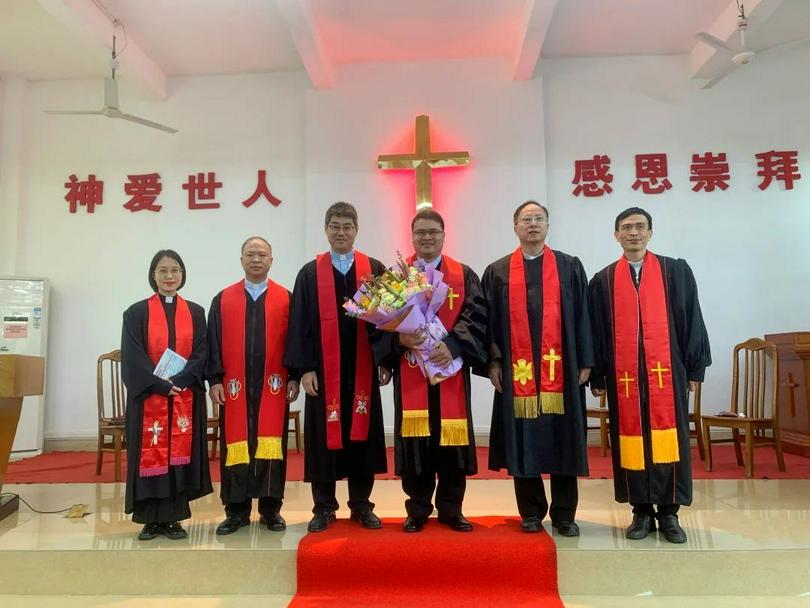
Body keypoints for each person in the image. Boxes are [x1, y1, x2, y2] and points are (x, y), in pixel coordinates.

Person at [588, 207, 711, 544]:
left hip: (666, 373)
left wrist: (695, 366)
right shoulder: (603, 280)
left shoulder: (675, 271)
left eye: (640, 227)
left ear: (650, 233)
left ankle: (669, 514)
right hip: (623, 377)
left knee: (668, 438)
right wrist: (598, 376)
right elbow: (597, 331)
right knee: (631, 438)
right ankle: (641, 511)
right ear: (616, 235)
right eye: (626, 227)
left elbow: (691, 317)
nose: (634, 233)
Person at [480, 201, 594, 536]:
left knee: (564, 438)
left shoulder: (569, 267)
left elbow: (584, 314)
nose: (533, 224)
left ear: (548, 225)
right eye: (526, 219)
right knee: (522, 438)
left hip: (564, 368)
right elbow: (488, 324)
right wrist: (495, 360)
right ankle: (530, 512)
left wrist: (586, 359)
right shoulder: (498, 271)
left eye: (538, 219)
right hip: (519, 374)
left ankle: (564, 514)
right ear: (515, 227)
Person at [375, 209, 487, 533]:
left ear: (443, 235)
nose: (427, 237)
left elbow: (476, 316)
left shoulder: (463, 275)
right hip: (411, 372)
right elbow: (380, 325)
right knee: (416, 440)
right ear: (411, 236)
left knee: (451, 441)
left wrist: (452, 346)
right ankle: (418, 508)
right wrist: (398, 342)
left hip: (448, 369)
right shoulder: (395, 278)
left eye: (433, 232)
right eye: (421, 232)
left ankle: (452, 509)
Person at [285, 202, 393, 533]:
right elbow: (299, 323)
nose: (341, 231)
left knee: (362, 437)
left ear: (356, 229)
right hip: (323, 374)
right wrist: (303, 369)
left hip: (362, 371)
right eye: (335, 225)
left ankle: (361, 505)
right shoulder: (309, 273)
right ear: (326, 229)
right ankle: (324, 507)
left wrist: (384, 361)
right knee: (322, 440)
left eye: (347, 225)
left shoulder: (373, 269)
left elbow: (390, 320)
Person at [207, 237, 300, 535]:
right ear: (241, 260)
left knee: (272, 445)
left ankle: (271, 510)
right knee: (237, 445)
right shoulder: (222, 299)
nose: (256, 259)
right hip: (235, 387)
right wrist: (214, 380)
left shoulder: (287, 298)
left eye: (262, 254)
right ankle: (236, 511)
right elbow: (213, 343)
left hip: (273, 385)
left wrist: (295, 377)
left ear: (272, 260)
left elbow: (296, 342)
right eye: (250, 254)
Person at [121, 249, 212, 540]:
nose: (169, 276)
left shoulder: (196, 312)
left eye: (175, 270)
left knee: (178, 457)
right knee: (151, 456)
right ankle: (150, 519)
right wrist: (160, 385)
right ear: (153, 275)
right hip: (150, 397)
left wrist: (182, 380)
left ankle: (173, 518)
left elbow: (202, 353)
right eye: (163, 271)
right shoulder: (136, 313)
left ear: (182, 275)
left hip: (184, 397)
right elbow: (133, 357)